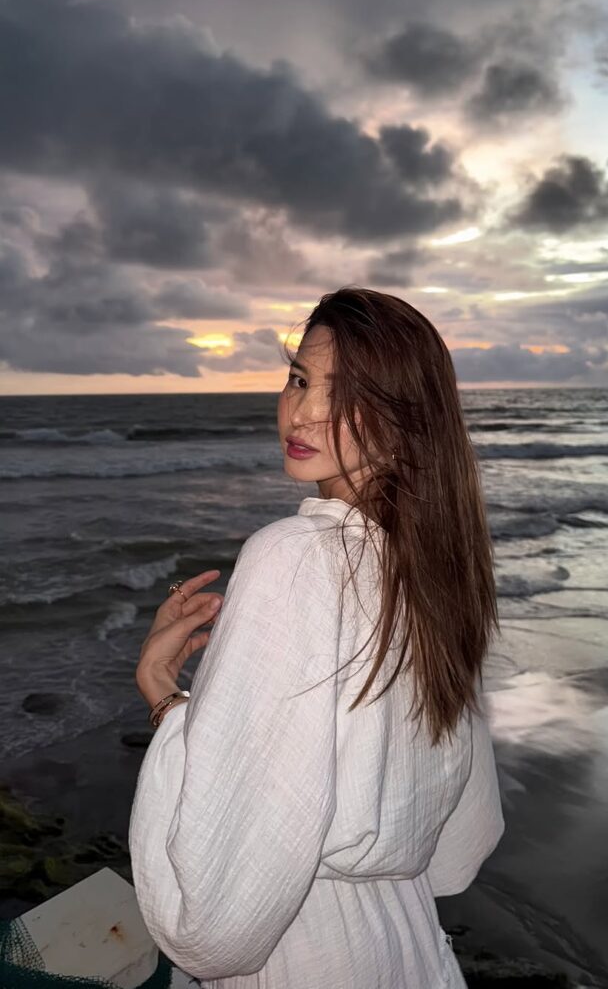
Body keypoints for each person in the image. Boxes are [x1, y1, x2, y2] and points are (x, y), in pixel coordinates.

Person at [129, 287, 506, 988]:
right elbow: (461, 843)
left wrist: (164, 696)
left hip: (300, 953)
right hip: (406, 942)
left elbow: (219, 918)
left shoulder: (293, 556)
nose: (302, 413)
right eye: (300, 379)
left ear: (407, 418)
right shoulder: (437, 570)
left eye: (349, 395)